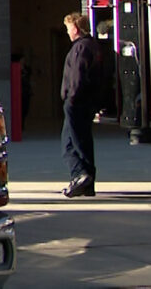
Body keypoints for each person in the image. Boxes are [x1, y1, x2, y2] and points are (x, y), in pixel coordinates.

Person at [60, 12, 100, 198]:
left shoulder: (80, 48)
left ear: (75, 29)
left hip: (77, 102)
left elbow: (77, 76)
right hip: (88, 101)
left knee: (69, 143)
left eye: (68, 29)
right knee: (83, 140)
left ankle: (80, 176)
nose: (67, 33)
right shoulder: (92, 46)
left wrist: (71, 99)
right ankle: (88, 183)